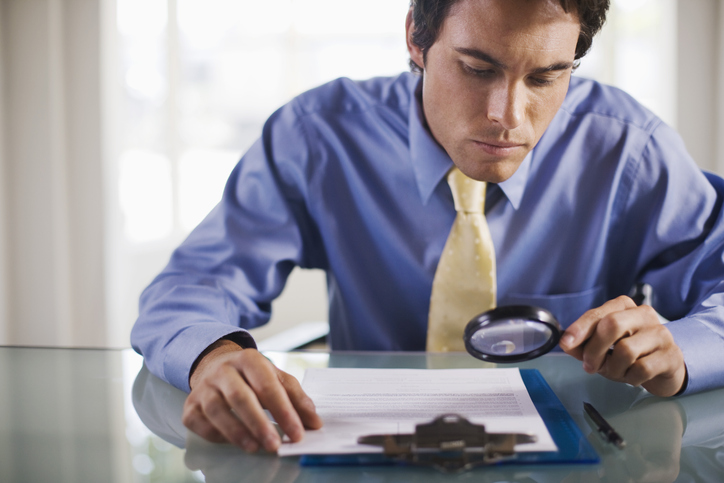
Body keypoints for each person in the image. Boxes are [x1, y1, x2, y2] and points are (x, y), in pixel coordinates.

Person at [131, 0, 724, 455]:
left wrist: (679, 351)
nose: (508, 117)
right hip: (366, 456)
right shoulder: (316, 138)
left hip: (581, 454)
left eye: (545, 78)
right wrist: (212, 354)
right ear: (416, 37)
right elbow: (192, 285)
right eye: (476, 68)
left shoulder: (629, 150)